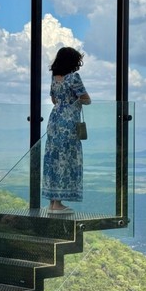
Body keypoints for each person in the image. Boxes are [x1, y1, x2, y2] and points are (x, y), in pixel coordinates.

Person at [42, 46, 91, 213]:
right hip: (69, 122)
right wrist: (75, 102)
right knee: (66, 159)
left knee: (54, 158)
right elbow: (86, 99)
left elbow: (54, 99)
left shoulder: (55, 78)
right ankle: (58, 204)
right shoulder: (73, 78)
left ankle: (52, 202)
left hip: (54, 120)